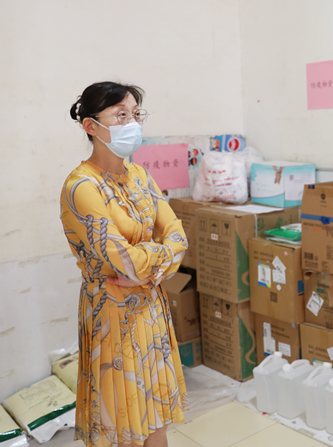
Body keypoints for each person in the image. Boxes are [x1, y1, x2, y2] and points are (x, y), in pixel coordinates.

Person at [60, 82, 189, 447]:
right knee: (123, 424)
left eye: (135, 114)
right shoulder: (82, 187)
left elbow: (179, 237)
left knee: (157, 418)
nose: (132, 122)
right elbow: (126, 263)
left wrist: (148, 266)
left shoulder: (140, 176)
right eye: (120, 115)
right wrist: (158, 260)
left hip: (151, 309)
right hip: (113, 315)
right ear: (90, 126)